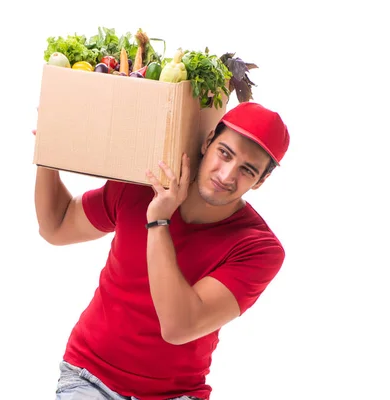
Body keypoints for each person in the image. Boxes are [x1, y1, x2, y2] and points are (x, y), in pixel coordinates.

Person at [33, 101, 290, 400]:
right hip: (89, 377)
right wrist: (47, 155)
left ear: (261, 180)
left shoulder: (258, 249)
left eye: (247, 170)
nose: (227, 175)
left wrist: (159, 220)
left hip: (176, 394)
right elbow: (57, 225)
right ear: (208, 142)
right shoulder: (142, 186)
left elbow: (178, 327)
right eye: (225, 153)